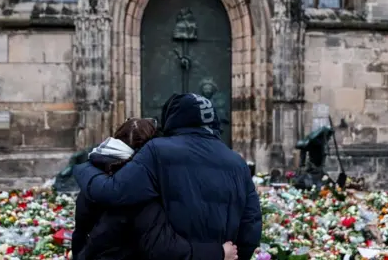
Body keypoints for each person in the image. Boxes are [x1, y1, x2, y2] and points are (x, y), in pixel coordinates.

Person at [73, 93, 262, 260]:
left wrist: (84, 168)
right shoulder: (237, 162)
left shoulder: (157, 151)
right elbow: (251, 226)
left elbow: (114, 191)